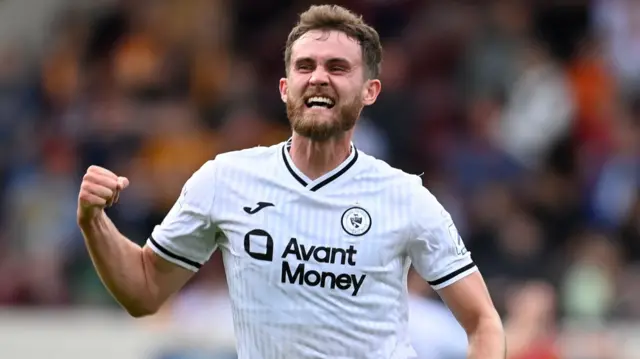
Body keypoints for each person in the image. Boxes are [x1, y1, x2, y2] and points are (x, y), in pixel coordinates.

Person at [77, 5, 505, 359]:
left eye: (338, 67)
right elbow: (144, 291)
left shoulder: (406, 197)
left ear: (370, 91)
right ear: (285, 88)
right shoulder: (226, 179)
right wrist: (93, 221)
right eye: (306, 66)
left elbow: (483, 322)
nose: (319, 76)